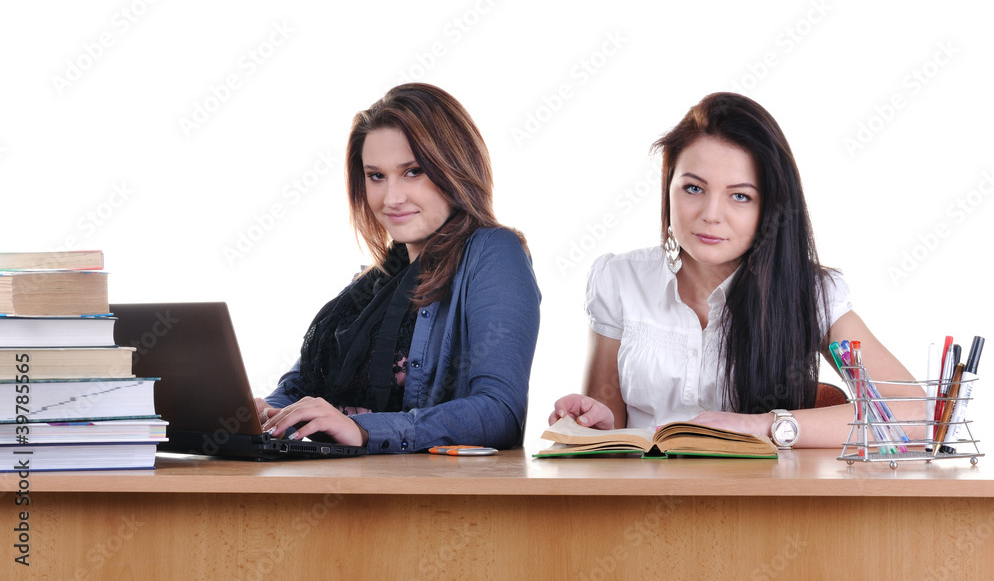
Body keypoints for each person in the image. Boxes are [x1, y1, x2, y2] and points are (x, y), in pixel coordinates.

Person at [549, 92, 923, 448]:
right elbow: (605, 430)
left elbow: (917, 416)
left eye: (740, 196)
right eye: (693, 188)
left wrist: (757, 425)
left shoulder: (808, 293)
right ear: (668, 186)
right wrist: (595, 421)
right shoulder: (620, 279)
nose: (711, 214)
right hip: (640, 504)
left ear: (770, 208)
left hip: (756, 507)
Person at [258, 83, 541, 454]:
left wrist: (362, 430)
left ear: (454, 168)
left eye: (413, 172)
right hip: (348, 489)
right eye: (376, 176)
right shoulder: (370, 285)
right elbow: (304, 384)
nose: (391, 198)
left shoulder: (494, 253)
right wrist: (267, 411)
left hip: (429, 500)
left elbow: (501, 412)